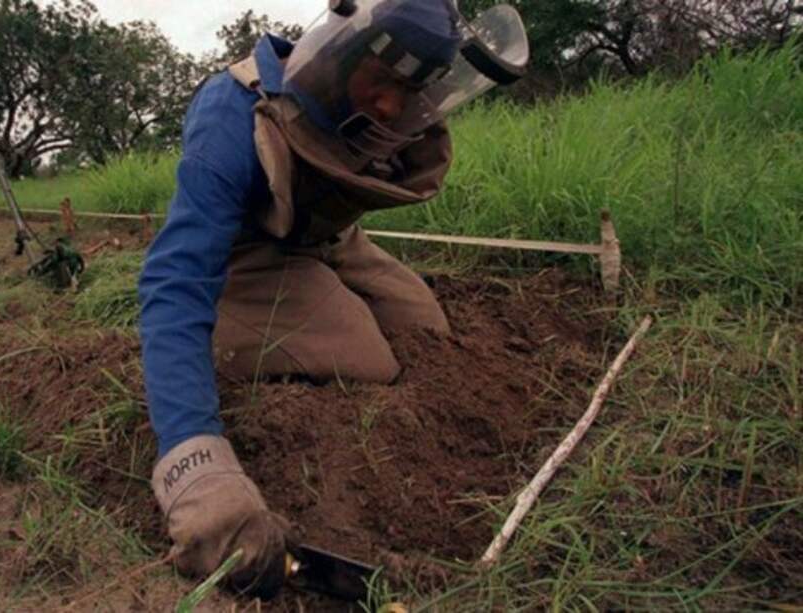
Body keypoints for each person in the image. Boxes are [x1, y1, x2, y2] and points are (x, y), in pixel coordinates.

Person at [138, 0, 528, 600]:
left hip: (331, 240)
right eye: (387, 82)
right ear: (344, 49)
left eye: (412, 91)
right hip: (251, 251)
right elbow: (176, 280)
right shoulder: (231, 112)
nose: (394, 108)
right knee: (371, 359)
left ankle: (314, 297)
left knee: (427, 329)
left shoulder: (382, 109)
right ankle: (220, 337)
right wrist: (196, 465)